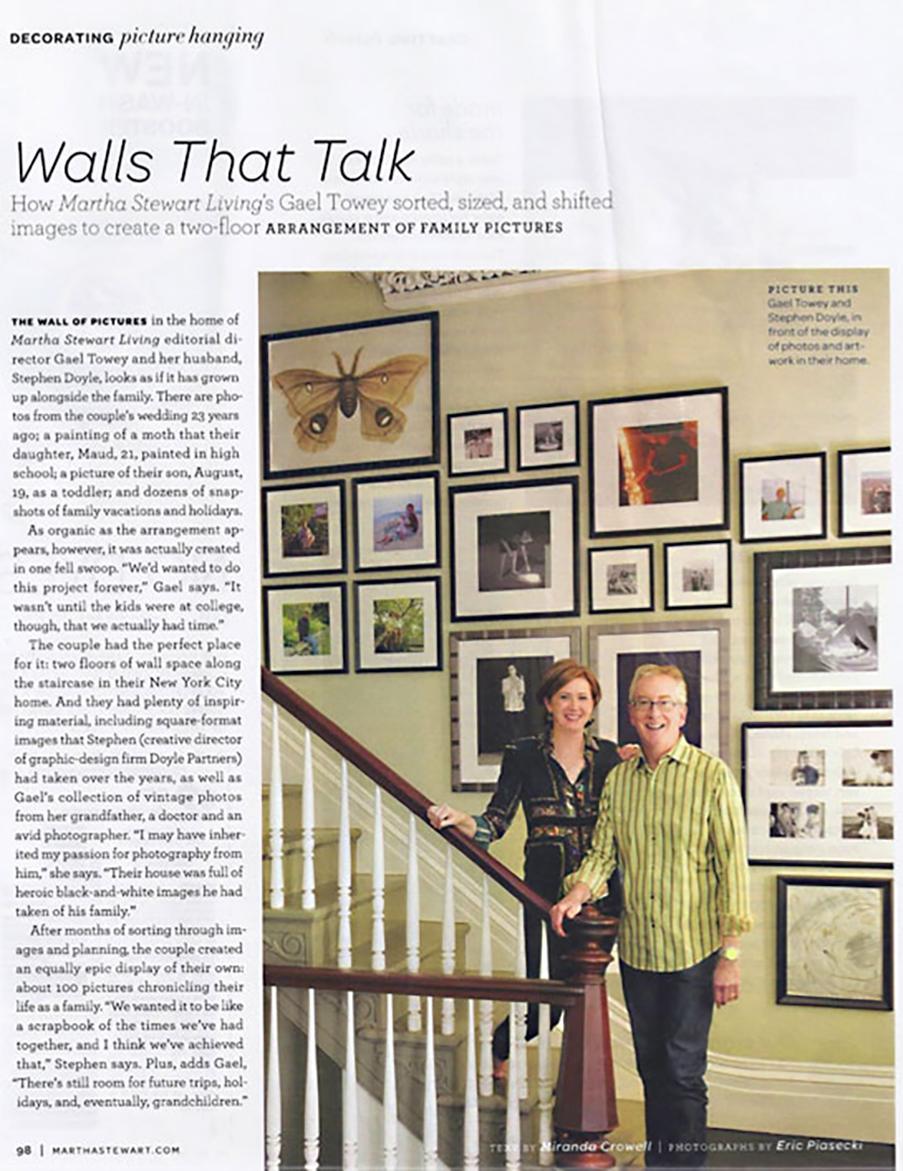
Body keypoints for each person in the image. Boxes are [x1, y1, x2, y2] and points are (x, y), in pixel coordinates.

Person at [551, 664, 752, 1169]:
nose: (653, 712)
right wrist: (576, 893)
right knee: (652, 1068)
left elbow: (733, 870)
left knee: (683, 1073)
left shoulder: (711, 776)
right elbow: (603, 855)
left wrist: (730, 956)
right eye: (643, 703)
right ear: (631, 712)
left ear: (682, 712)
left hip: (693, 952)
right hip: (639, 952)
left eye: (664, 703)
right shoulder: (620, 780)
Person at [427, 659, 633, 1085]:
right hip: (542, 896)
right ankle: (501, 1046)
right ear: (547, 703)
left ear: (593, 706)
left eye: (583, 697)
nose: (574, 706)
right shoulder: (522, 754)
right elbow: (495, 822)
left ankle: (575, 1093)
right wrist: (457, 819)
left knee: (586, 997)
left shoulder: (612, 756)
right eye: (564, 697)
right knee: (551, 1000)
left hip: (600, 897)